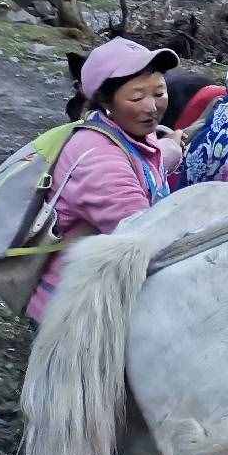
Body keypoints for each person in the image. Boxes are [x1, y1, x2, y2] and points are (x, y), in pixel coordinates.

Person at [28, 37, 186, 323]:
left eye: (159, 92)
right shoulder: (98, 160)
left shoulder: (128, 131)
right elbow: (144, 238)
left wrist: (170, 150)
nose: (152, 107)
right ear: (104, 100)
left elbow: (145, 162)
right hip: (73, 311)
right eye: (137, 97)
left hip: (99, 286)